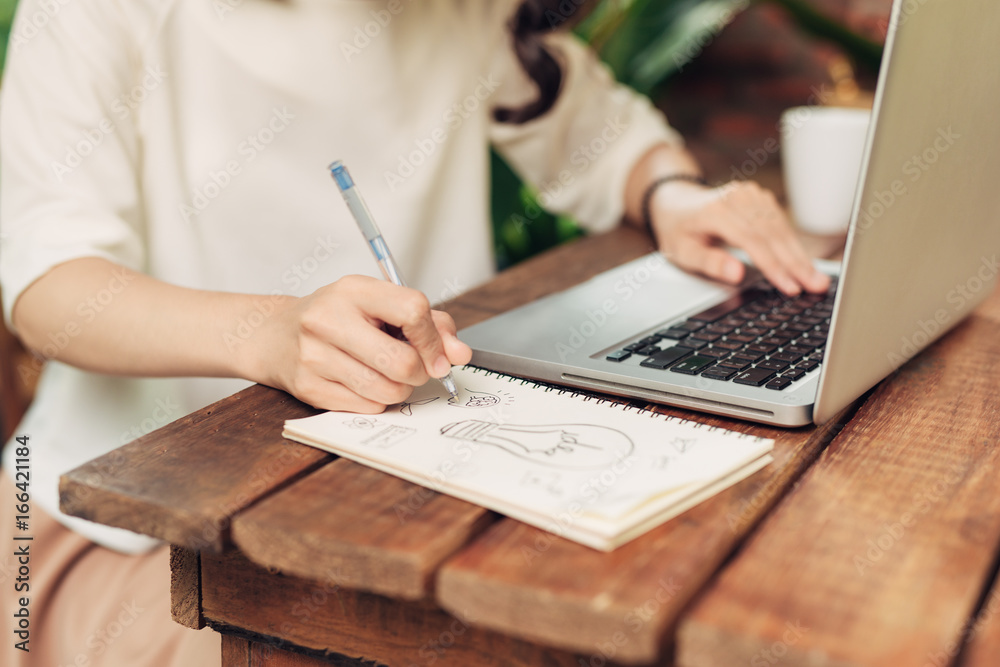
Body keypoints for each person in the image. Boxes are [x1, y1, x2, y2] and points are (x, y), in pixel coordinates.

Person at [0, 0, 830, 664]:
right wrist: (267, 334)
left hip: (393, 503)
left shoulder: (460, 13)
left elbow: (596, 130)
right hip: (121, 530)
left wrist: (672, 198)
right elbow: (49, 286)